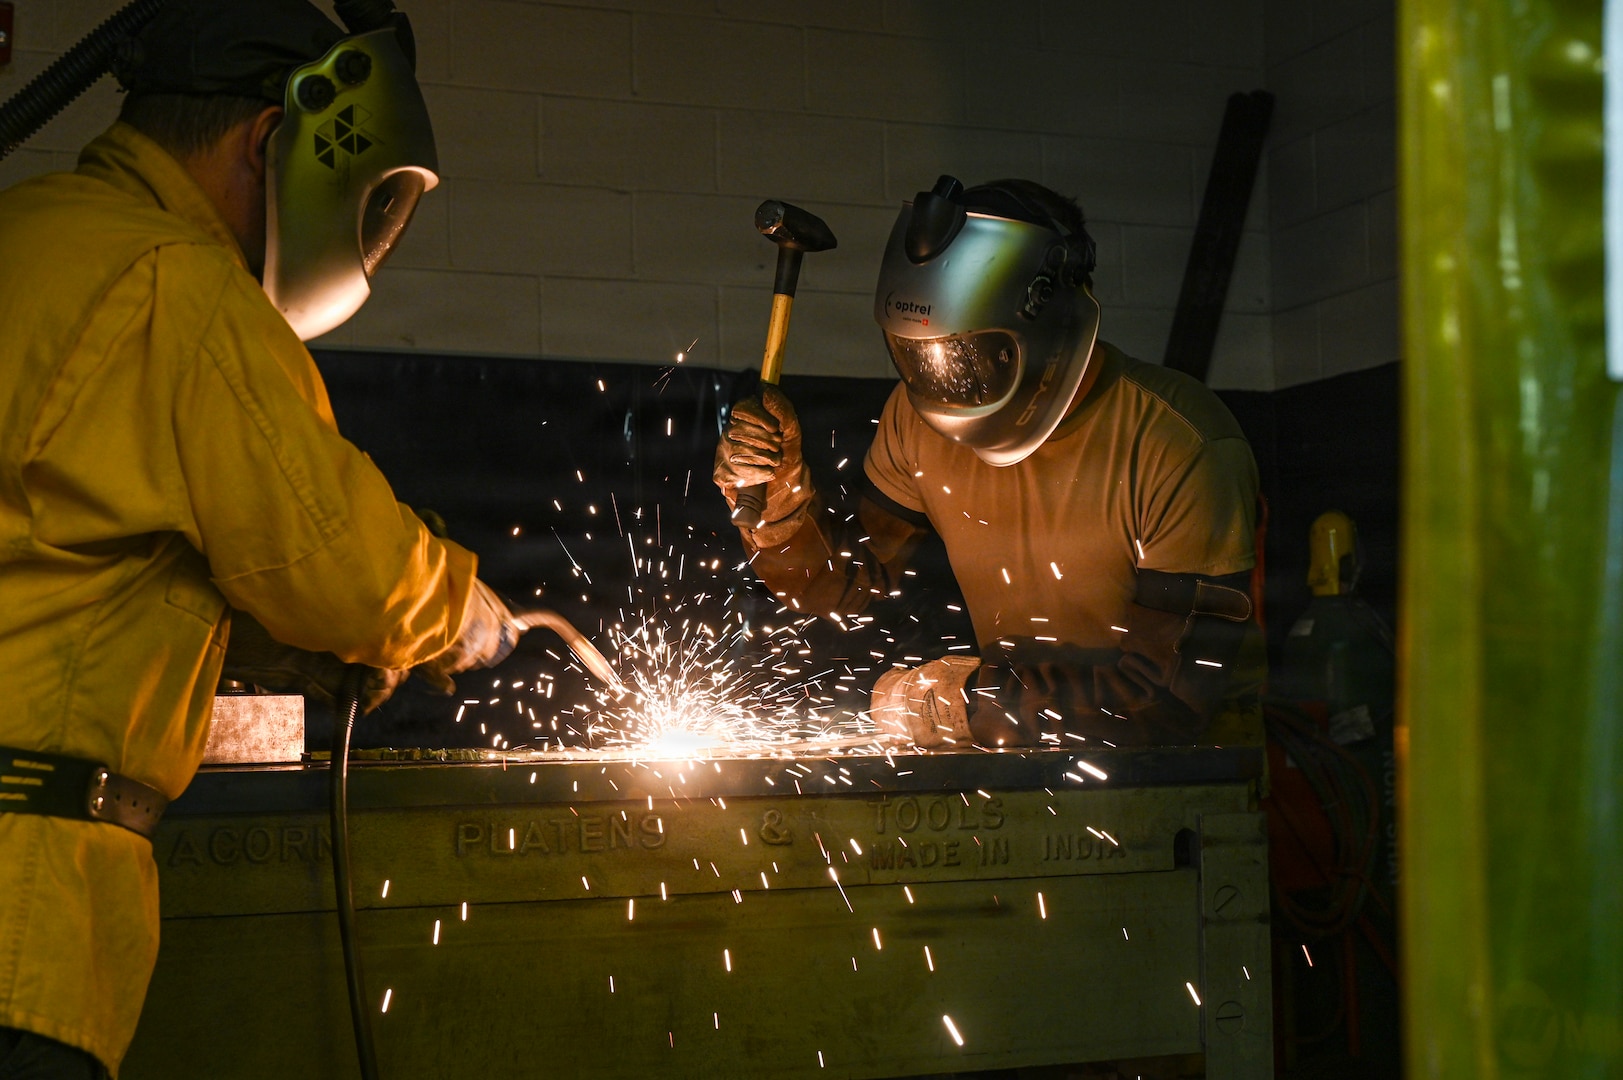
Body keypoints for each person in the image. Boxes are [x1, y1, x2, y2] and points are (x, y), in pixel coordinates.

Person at [0, 2, 532, 1075]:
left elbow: (60, 546)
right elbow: (346, 566)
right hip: (20, 899)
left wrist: (242, 644)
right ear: (269, 141)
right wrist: (455, 612)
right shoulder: (176, 284)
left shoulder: (35, 235)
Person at [715, 176, 1264, 752]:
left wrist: (973, 701)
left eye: (972, 354)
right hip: (1029, 755)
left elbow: (1167, 704)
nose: (950, 381)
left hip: (1196, 774)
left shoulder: (1179, 442)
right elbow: (847, 590)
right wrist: (778, 499)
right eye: (926, 357)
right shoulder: (914, 416)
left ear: (1045, 318)